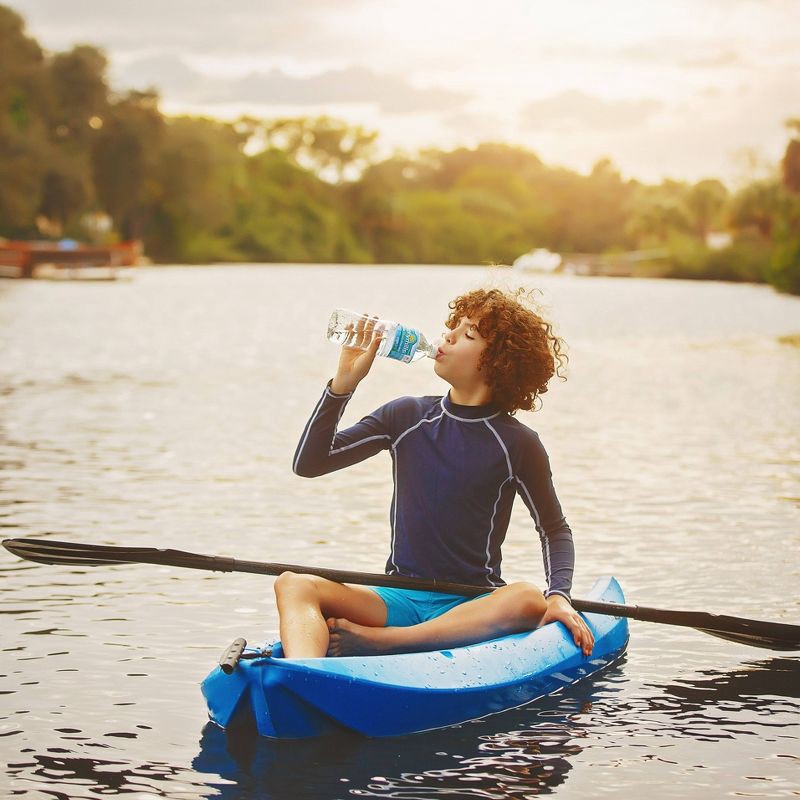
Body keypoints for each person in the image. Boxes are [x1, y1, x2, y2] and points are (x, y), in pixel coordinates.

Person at [277, 287, 594, 659]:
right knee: (294, 586)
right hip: (395, 599)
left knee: (527, 597)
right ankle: (306, 677)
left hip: (470, 606)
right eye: (453, 327)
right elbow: (309, 464)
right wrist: (342, 386)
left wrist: (558, 596)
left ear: (497, 363)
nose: (448, 335)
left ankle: (384, 643)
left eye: (468, 334)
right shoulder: (406, 416)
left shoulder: (517, 444)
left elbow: (554, 529)